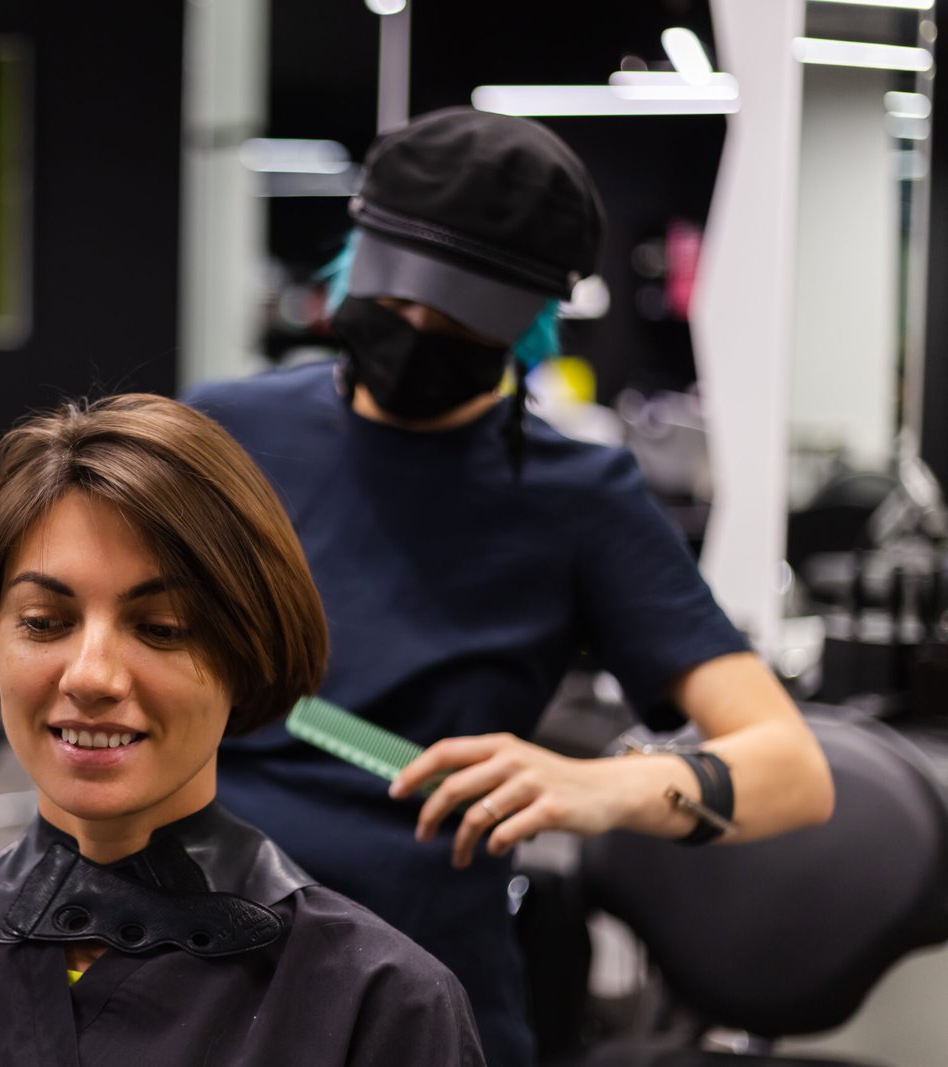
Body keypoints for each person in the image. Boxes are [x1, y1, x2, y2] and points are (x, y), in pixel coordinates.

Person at [185, 107, 836, 1066]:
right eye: (395, 298)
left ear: (528, 318)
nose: (412, 332)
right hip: (191, 936)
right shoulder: (225, 432)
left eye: (451, 319)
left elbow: (793, 771)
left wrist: (601, 787)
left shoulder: (579, 499)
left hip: (413, 976)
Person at [0, 394, 484, 1066]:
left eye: (160, 627)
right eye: (44, 621)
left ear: (248, 655)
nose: (91, 674)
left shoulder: (378, 1009)